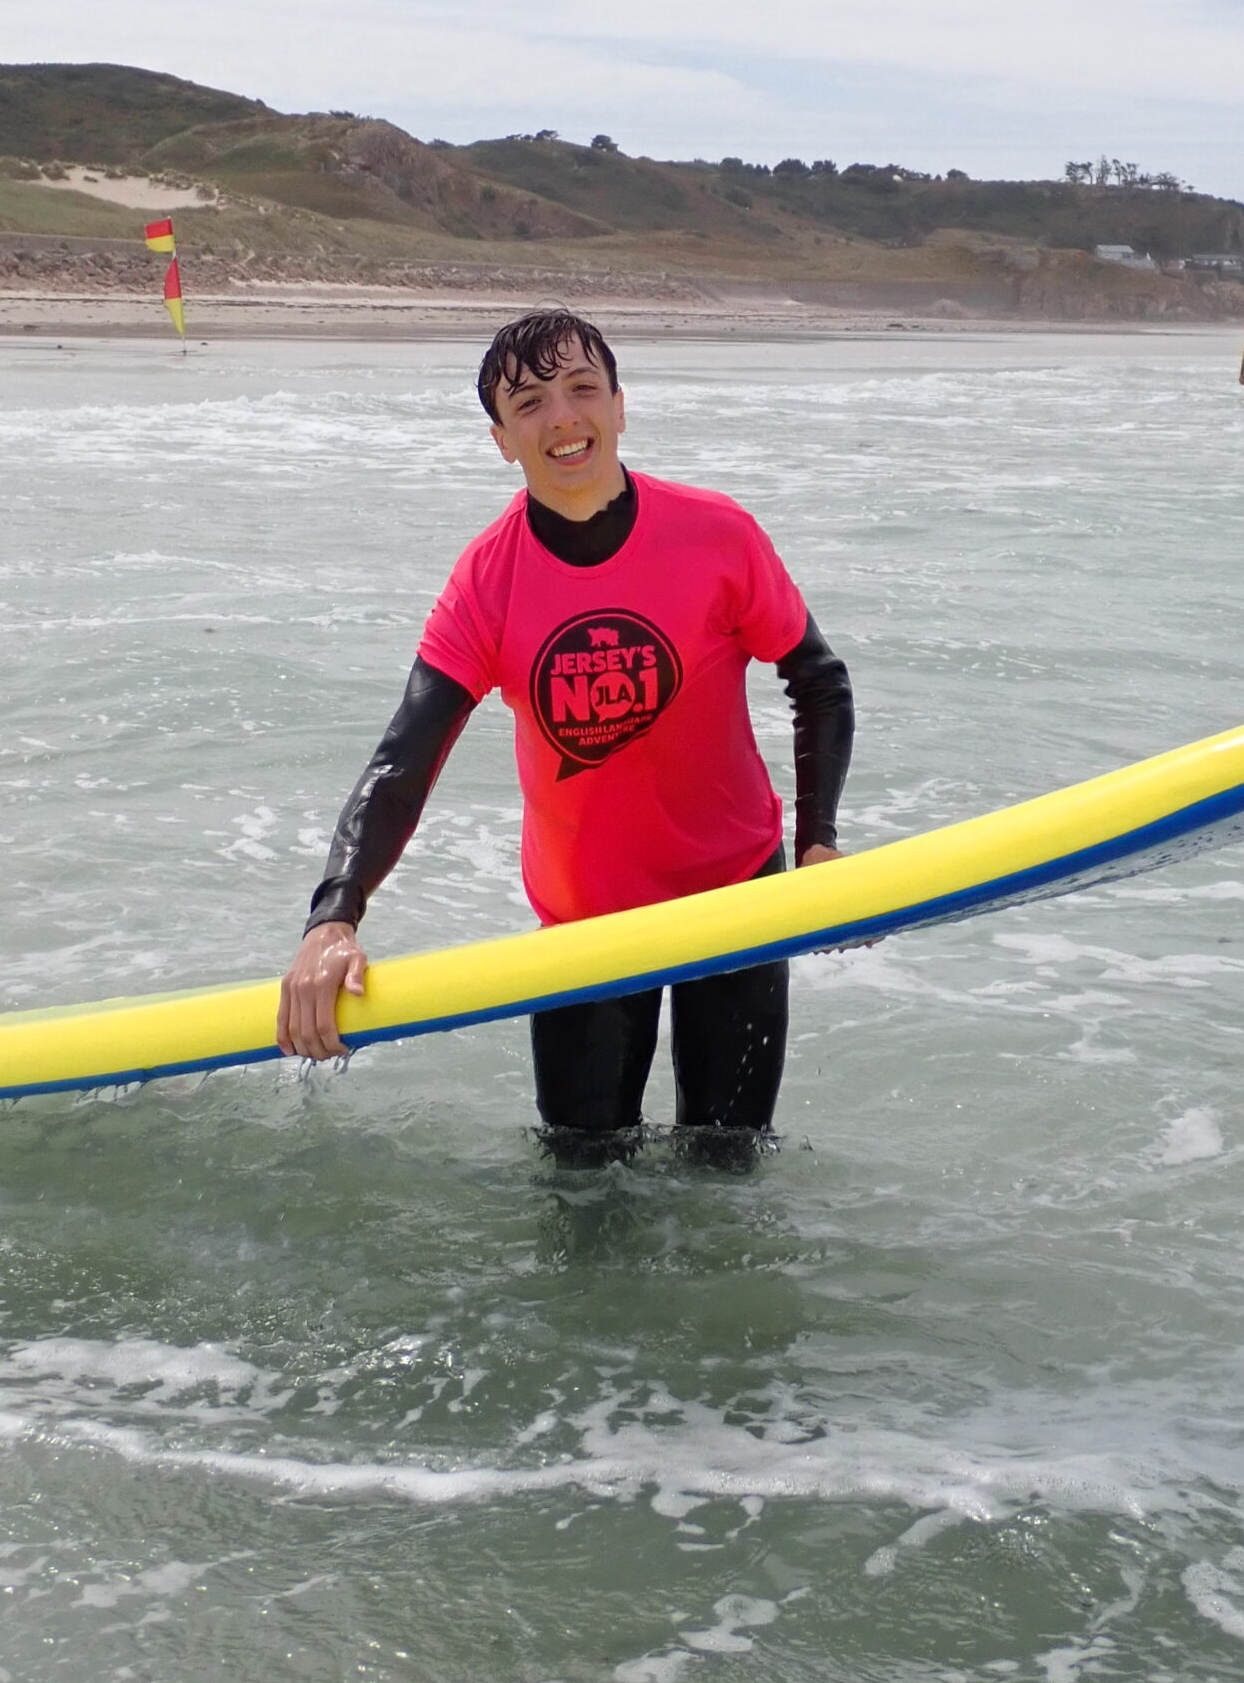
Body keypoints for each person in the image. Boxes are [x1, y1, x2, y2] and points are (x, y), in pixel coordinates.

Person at [276, 309, 854, 1159]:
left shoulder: (717, 534)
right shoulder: (487, 581)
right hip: (584, 925)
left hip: (736, 895)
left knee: (729, 1164)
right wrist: (333, 916)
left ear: (620, 406)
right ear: (502, 441)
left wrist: (817, 847)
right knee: (583, 1182)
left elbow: (818, 679)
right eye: (529, 403)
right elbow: (404, 760)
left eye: (583, 389)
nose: (562, 417)